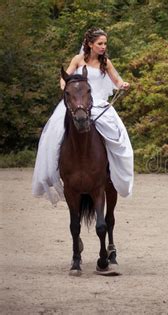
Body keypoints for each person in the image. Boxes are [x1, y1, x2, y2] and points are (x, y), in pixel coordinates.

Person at [32, 27, 134, 205]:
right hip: (76, 103)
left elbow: (116, 80)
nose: (103, 47)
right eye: (100, 43)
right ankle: (55, 170)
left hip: (99, 104)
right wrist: (66, 86)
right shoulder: (78, 60)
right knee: (54, 135)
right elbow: (65, 77)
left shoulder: (106, 62)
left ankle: (111, 171)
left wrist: (123, 84)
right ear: (90, 44)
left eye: (105, 44)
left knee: (118, 136)